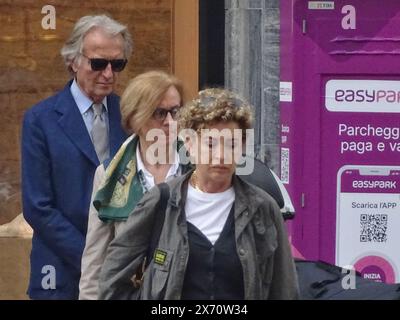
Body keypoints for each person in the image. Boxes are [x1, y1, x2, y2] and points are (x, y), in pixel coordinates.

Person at [98, 88, 299, 300]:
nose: (221, 155)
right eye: (210, 144)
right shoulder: (161, 202)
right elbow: (112, 279)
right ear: (189, 144)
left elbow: (284, 289)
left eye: (232, 144)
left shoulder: (262, 208)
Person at [21, 15, 132, 299]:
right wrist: (92, 257)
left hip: (122, 272)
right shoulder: (40, 119)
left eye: (117, 64)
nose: (108, 74)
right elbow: (38, 207)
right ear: (74, 60)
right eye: (98, 64)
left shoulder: (130, 117)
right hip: (60, 269)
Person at [79, 70, 190, 300]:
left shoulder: (198, 168)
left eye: (175, 112)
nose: (170, 123)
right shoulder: (109, 174)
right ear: (135, 119)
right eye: (160, 113)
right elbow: (95, 262)